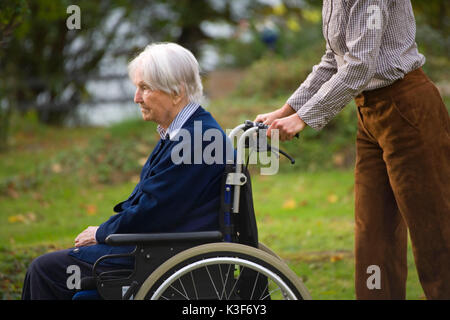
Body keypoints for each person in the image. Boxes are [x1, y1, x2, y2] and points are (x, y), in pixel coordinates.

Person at [255, 0, 449, 299]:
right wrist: (287, 110)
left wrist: (304, 117)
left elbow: (360, 64)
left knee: (435, 234)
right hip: (369, 115)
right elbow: (334, 61)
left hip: (408, 111)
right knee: (373, 234)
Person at [22, 42, 231, 299]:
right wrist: (105, 231)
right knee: (55, 268)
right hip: (161, 246)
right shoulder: (189, 133)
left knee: (44, 270)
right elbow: (153, 205)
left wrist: (101, 233)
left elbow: (154, 212)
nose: (136, 98)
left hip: (163, 254)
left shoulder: (195, 140)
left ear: (177, 93)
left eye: (145, 88)